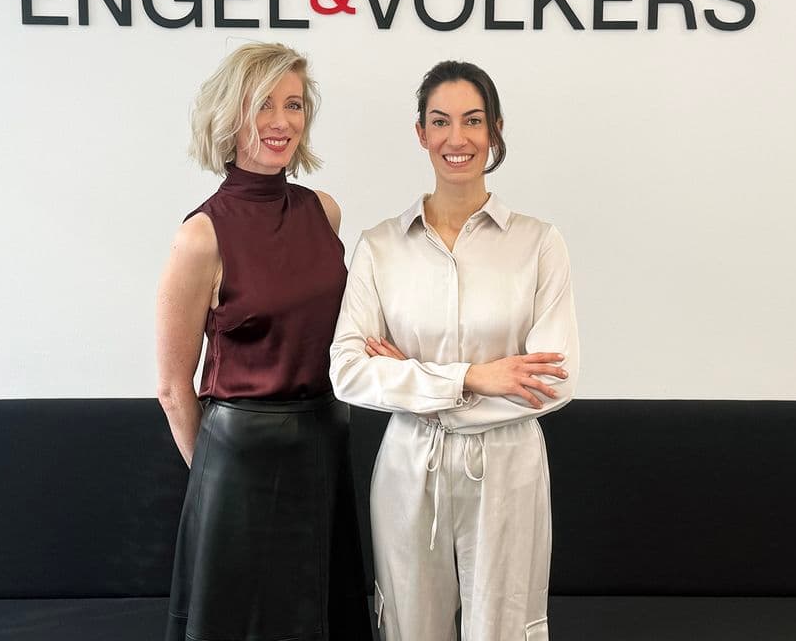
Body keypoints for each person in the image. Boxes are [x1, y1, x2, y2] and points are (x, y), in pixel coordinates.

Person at [330, 60, 579, 641]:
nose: (456, 138)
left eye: (472, 121)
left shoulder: (539, 243)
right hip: (408, 465)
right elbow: (347, 371)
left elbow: (555, 381)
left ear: (494, 130)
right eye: (440, 122)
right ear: (421, 134)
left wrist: (412, 379)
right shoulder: (380, 246)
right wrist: (477, 377)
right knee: (408, 629)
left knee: (504, 629)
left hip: (509, 465)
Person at [156, 42, 371, 641]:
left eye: (294, 104)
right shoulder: (200, 235)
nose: (282, 122)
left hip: (325, 443)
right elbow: (174, 388)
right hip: (239, 458)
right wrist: (216, 484)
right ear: (231, 115)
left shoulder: (324, 212)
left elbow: (336, 330)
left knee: (324, 618)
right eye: (264, 105)